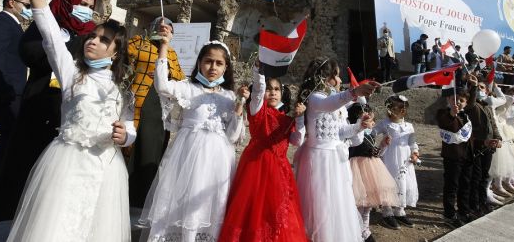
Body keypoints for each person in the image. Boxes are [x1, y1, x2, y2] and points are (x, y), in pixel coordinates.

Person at [7, 0, 136, 241]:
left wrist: (126, 135)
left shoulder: (122, 88)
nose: (93, 41)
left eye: (104, 40)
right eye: (92, 35)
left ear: (115, 52)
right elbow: (52, 37)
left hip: (104, 168)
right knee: (59, 224)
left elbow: (129, 124)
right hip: (67, 162)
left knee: (95, 225)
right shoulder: (72, 72)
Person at [0, 0, 99, 222]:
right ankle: (10, 216)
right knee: (25, 160)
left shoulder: (91, 32)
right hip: (40, 100)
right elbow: (29, 53)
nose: (87, 10)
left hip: (70, 106)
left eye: (91, 6)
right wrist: (68, 47)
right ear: (68, 1)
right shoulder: (47, 23)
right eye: (82, 4)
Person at [139, 25, 246, 242]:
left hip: (218, 162)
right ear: (199, 63)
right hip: (188, 157)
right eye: (208, 61)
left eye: (219, 63)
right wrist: (164, 46)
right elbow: (161, 86)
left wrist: (239, 107)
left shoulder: (228, 96)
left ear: (226, 67)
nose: (213, 67)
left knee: (210, 205)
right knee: (183, 204)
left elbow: (233, 137)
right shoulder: (188, 88)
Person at [219, 63, 308, 242]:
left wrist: (299, 119)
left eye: (276, 89)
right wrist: (259, 71)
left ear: (282, 93)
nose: (273, 92)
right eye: (269, 89)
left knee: (278, 213)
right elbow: (258, 92)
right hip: (255, 169)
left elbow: (297, 141)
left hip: (280, 172)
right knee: (253, 212)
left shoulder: (287, 119)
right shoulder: (258, 111)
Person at [294, 58, 379, 242]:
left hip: (335, 160)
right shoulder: (315, 98)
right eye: (338, 76)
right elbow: (330, 103)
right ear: (327, 78)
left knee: (336, 205)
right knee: (320, 205)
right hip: (320, 159)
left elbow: (340, 132)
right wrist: (354, 92)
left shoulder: (335, 104)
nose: (340, 80)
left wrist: (359, 126)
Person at [127, 17, 185, 209]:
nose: (163, 29)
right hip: (139, 100)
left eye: (168, 28)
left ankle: (144, 198)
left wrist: (165, 72)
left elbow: (180, 78)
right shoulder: (138, 43)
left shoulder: (172, 54)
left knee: (153, 148)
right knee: (133, 144)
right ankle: (126, 193)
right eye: (159, 26)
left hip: (160, 105)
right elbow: (125, 59)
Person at [0, 0, 31, 197]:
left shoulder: (11, 25)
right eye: (26, 5)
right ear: (12, 2)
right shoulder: (1, 23)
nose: (28, 10)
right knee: (8, 139)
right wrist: (5, 89)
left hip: (3, 91)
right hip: (3, 92)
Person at [348, 103, 398, 242]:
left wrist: (383, 145)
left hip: (372, 169)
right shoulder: (353, 135)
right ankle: (358, 232)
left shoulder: (371, 134)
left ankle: (365, 230)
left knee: (368, 204)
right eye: (371, 120)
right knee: (358, 204)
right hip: (356, 170)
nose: (374, 123)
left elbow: (375, 153)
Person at [372, 95, 419, 230]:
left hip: (404, 159)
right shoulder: (385, 124)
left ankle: (400, 211)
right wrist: (380, 144)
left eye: (401, 108)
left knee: (404, 183)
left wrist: (415, 153)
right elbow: (371, 133)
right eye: (393, 108)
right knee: (389, 182)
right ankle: (387, 211)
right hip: (389, 158)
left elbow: (412, 142)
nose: (398, 111)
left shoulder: (409, 126)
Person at [437, 79, 476, 228]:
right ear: (448, 99)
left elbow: (472, 100)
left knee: (465, 185)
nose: (458, 102)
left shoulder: (466, 115)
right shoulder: (443, 114)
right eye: (454, 99)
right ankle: (449, 214)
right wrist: (452, 114)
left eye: (461, 100)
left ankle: (463, 211)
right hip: (453, 157)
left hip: (467, 156)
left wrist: (475, 86)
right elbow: (445, 123)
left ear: (466, 103)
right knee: (451, 186)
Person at [463, 79, 502, 217]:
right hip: (477, 146)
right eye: (478, 87)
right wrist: (473, 87)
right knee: (476, 177)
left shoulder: (487, 106)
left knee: (485, 176)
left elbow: (494, 125)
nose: (480, 89)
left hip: (488, 148)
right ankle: (474, 205)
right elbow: (471, 102)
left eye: (482, 87)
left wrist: (498, 138)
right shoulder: (471, 106)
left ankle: (482, 201)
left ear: (487, 90)